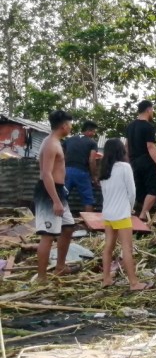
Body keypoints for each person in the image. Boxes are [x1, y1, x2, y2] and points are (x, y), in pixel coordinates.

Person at [98, 138, 150, 290]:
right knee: (127, 248)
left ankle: (106, 279)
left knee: (108, 247)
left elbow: (104, 194)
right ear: (121, 150)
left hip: (107, 214)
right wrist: (131, 208)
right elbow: (132, 192)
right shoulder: (124, 167)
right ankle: (134, 283)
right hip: (121, 213)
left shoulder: (104, 169)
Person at [35, 110, 77, 282]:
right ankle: (41, 277)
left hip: (59, 190)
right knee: (48, 234)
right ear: (63, 126)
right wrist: (55, 201)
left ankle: (60, 267)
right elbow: (46, 174)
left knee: (68, 228)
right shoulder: (51, 144)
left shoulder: (53, 141)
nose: (71, 127)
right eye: (70, 124)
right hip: (49, 193)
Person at [126, 100, 156, 221]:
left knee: (140, 191)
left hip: (134, 162)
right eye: (152, 110)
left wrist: (128, 162)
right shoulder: (148, 126)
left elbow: (126, 146)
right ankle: (142, 217)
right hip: (146, 162)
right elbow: (150, 147)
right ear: (149, 110)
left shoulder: (130, 126)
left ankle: (137, 217)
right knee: (154, 189)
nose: (153, 112)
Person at [62, 120, 102, 212]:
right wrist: (94, 177)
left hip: (66, 172)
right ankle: (90, 224)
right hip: (82, 172)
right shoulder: (92, 143)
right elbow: (92, 160)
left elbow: (62, 157)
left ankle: (57, 223)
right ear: (89, 131)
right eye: (93, 131)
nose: (94, 134)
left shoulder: (68, 140)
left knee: (61, 198)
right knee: (88, 200)